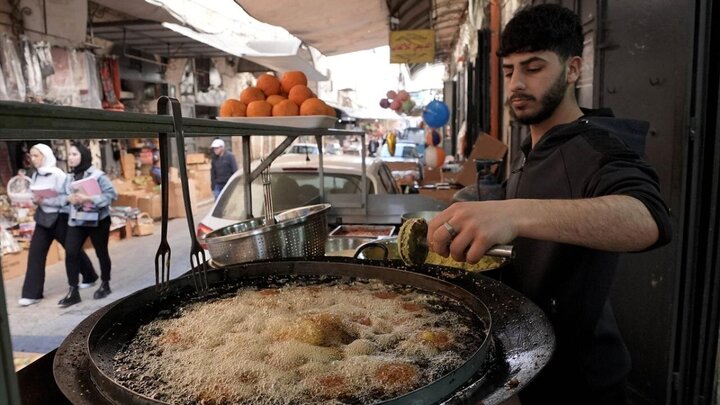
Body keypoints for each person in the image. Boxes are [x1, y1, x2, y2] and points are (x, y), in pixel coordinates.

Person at [426, 4, 672, 404]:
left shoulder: (596, 146)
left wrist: (514, 213)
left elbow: (648, 218)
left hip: (582, 384)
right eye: (509, 71)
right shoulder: (532, 149)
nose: (517, 84)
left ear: (573, 69)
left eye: (534, 67)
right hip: (530, 371)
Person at [18, 144, 98, 307]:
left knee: (72, 250)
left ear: (45, 156)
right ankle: (32, 293)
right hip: (43, 218)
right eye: (31, 156)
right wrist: (36, 200)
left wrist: (47, 199)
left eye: (36, 156)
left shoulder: (59, 175)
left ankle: (90, 276)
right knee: (35, 254)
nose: (32, 159)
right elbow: (36, 195)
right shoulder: (35, 175)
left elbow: (70, 197)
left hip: (60, 218)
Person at [58, 142, 117, 307]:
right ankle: (73, 291)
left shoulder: (97, 175)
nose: (70, 157)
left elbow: (112, 194)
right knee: (71, 252)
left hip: (98, 220)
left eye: (74, 154)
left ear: (83, 156)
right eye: (69, 154)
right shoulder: (68, 178)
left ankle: (105, 284)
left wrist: (89, 198)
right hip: (77, 219)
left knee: (101, 252)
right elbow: (61, 197)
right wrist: (68, 199)